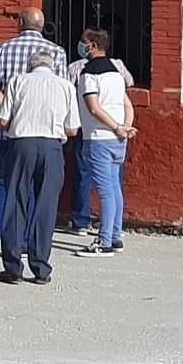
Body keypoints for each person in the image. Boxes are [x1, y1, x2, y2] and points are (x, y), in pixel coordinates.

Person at [0, 9, 62, 256]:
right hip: (41, 131)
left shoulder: (1, 49)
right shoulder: (56, 52)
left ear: (19, 23)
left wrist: (11, 110)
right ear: (42, 25)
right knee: (35, 185)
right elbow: (61, 90)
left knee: (0, 183)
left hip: (5, 130)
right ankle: (24, 241)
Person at [0, 51, 80, 285]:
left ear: (30, 66)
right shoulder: (65, 86)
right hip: (52, 147)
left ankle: (13, 267)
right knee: (46, 205)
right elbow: (72, 129)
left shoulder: (18, 81)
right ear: (52, 67)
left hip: (21, 143)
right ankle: (40, 267)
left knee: (15, 201)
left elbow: (3, 121)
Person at [72, 30, 138, 256]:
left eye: (83, 43)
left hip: (99, 137)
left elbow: (93, 107)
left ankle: (104, 241)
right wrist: (125, 127)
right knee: (114, 188)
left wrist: (116, 127)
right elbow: (128, 105)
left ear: (92, 46)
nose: (80, 47)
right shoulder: (116, 74)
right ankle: (115, 235)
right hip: (118, 139)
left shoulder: (88, 74)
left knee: (104, 191)